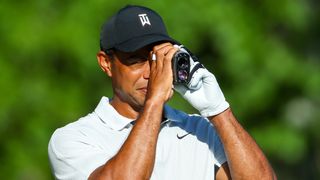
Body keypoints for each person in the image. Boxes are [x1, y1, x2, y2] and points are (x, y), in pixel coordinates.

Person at [48, 5, 276, 180]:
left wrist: (218, 111)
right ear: (106, 63)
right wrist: (155, 102)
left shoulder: (200, 130)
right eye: (136, 60)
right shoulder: (74, 138)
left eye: (156, 60)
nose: (151, 73)